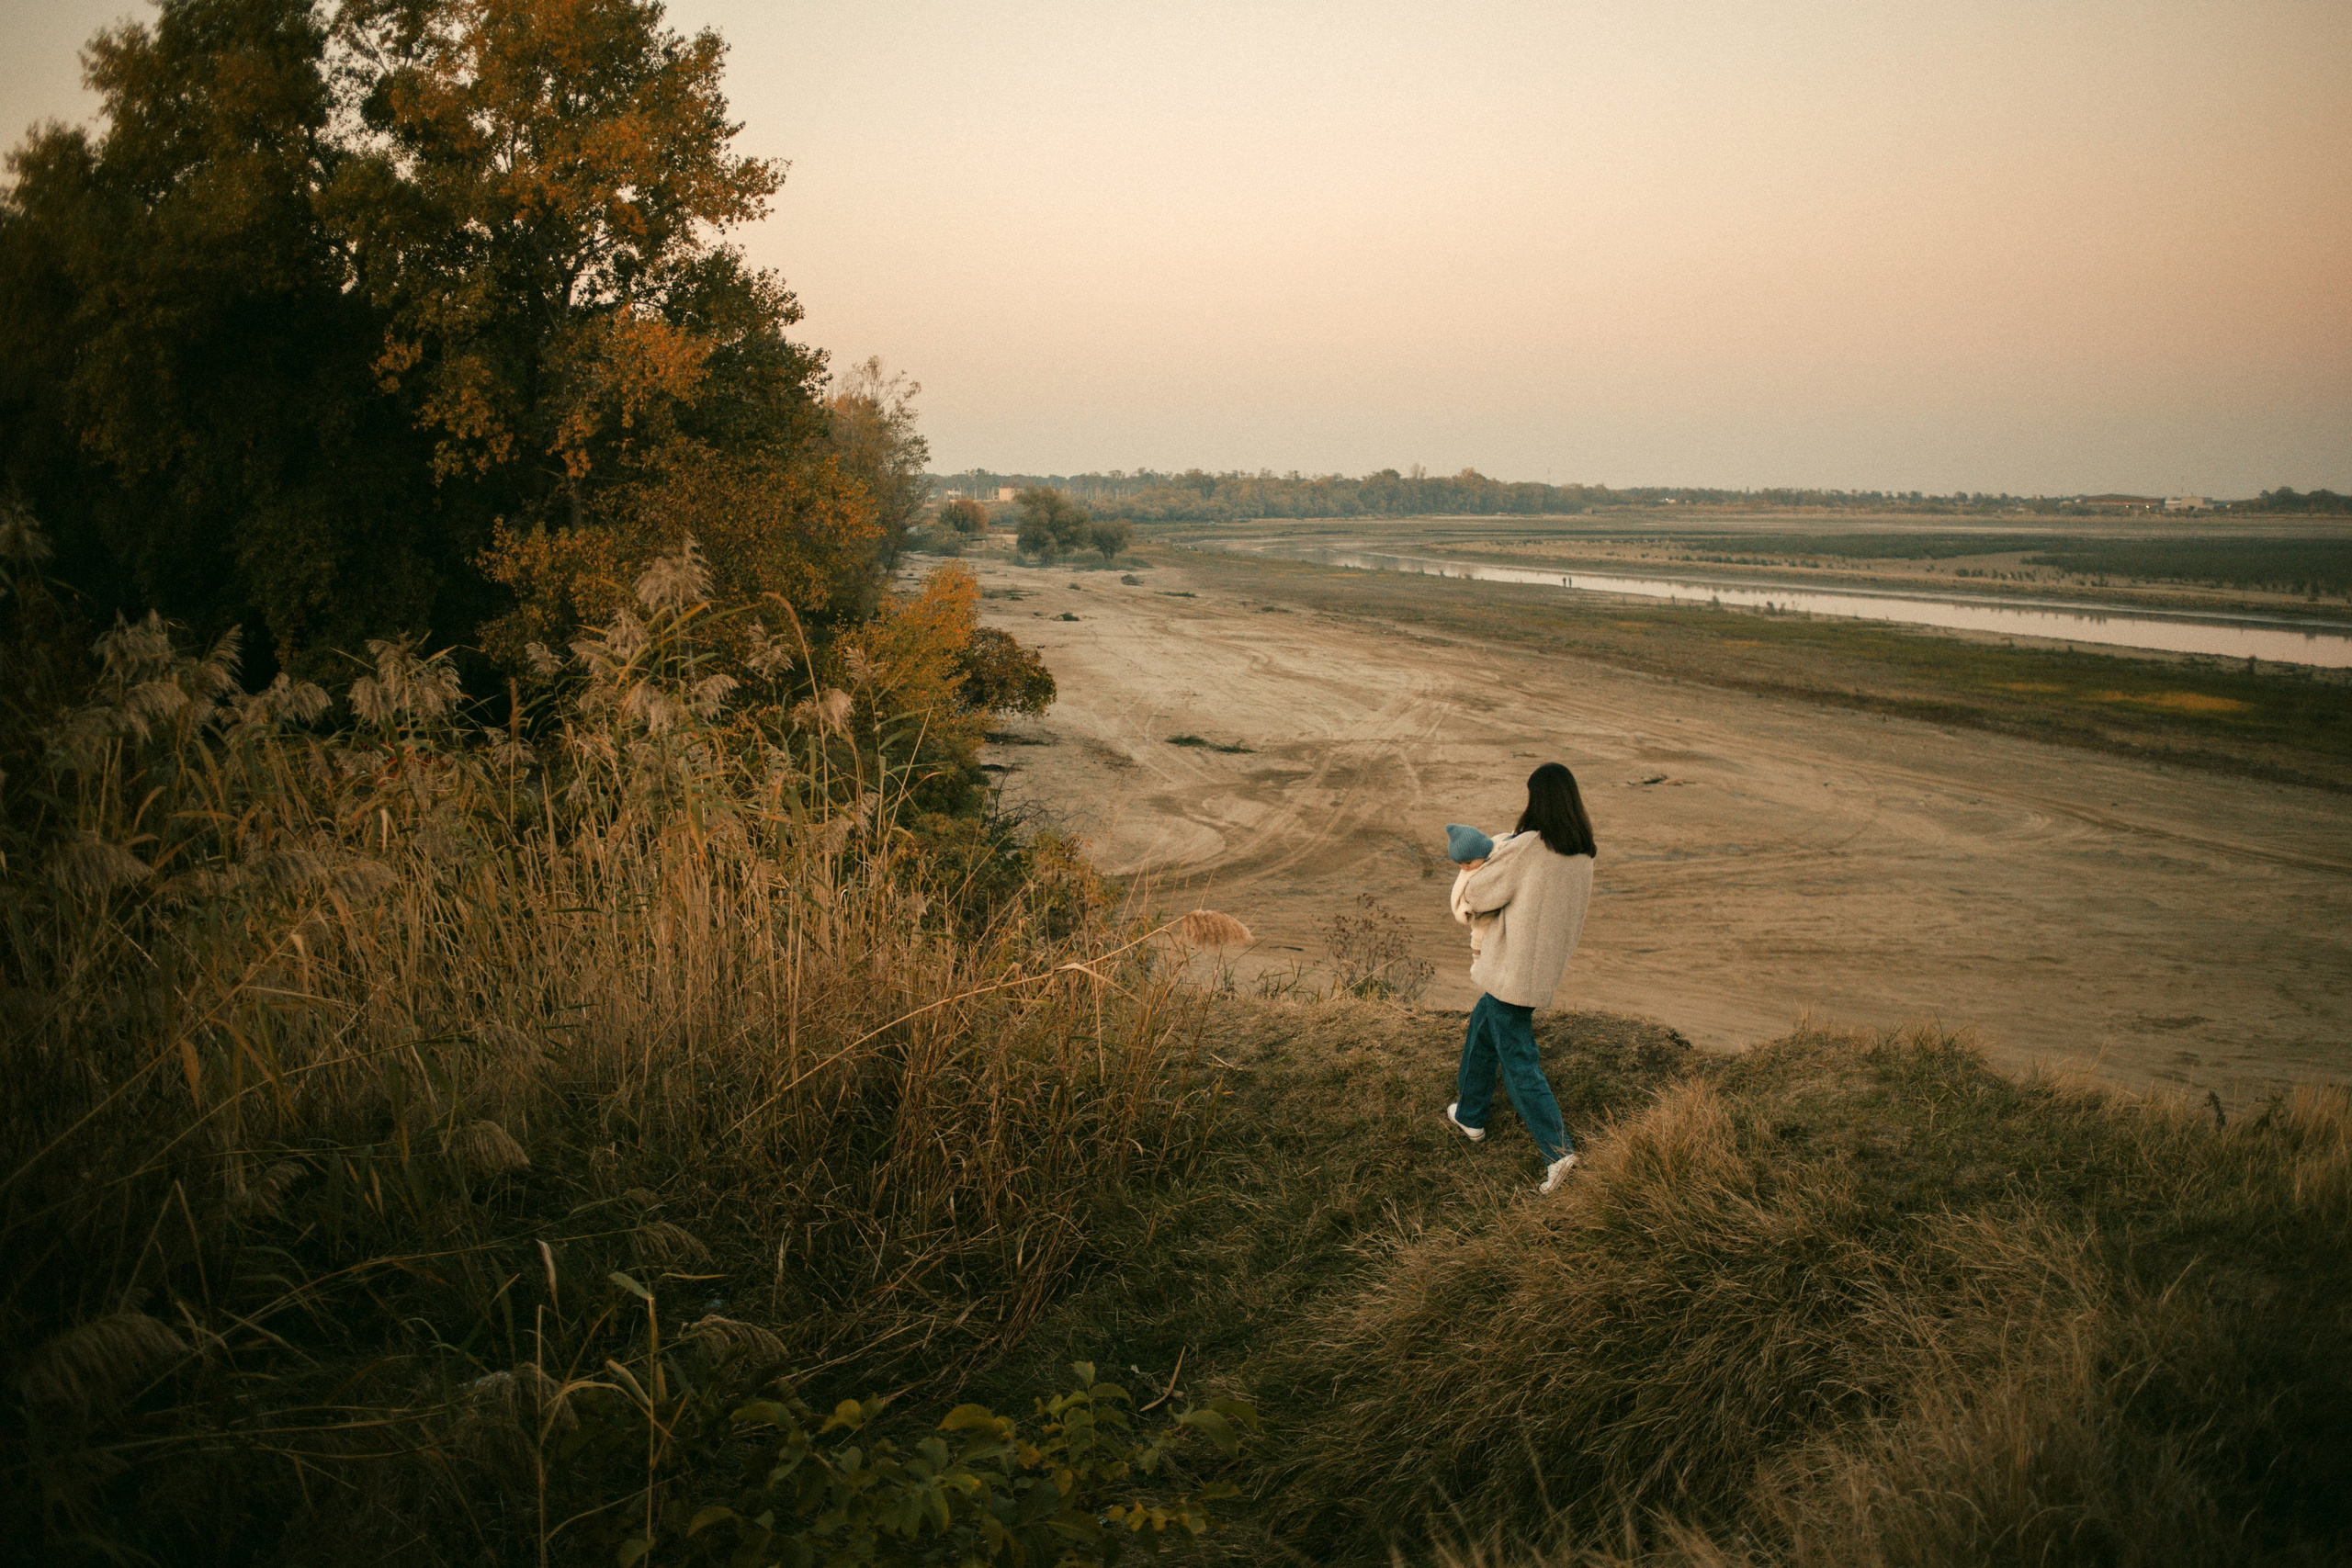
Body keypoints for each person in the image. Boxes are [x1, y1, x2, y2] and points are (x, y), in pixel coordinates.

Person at [1442, 762, 1598, 1193]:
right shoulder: (1583, 854)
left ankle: (1558, 1152)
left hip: (1512, 968)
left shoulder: (1530, 846)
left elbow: (1480, 893)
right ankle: (1470, 1115)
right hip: (1541, 969)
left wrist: (1476, 865)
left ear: (1538, 799)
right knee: (1482, 1028)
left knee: (1518, 1060)